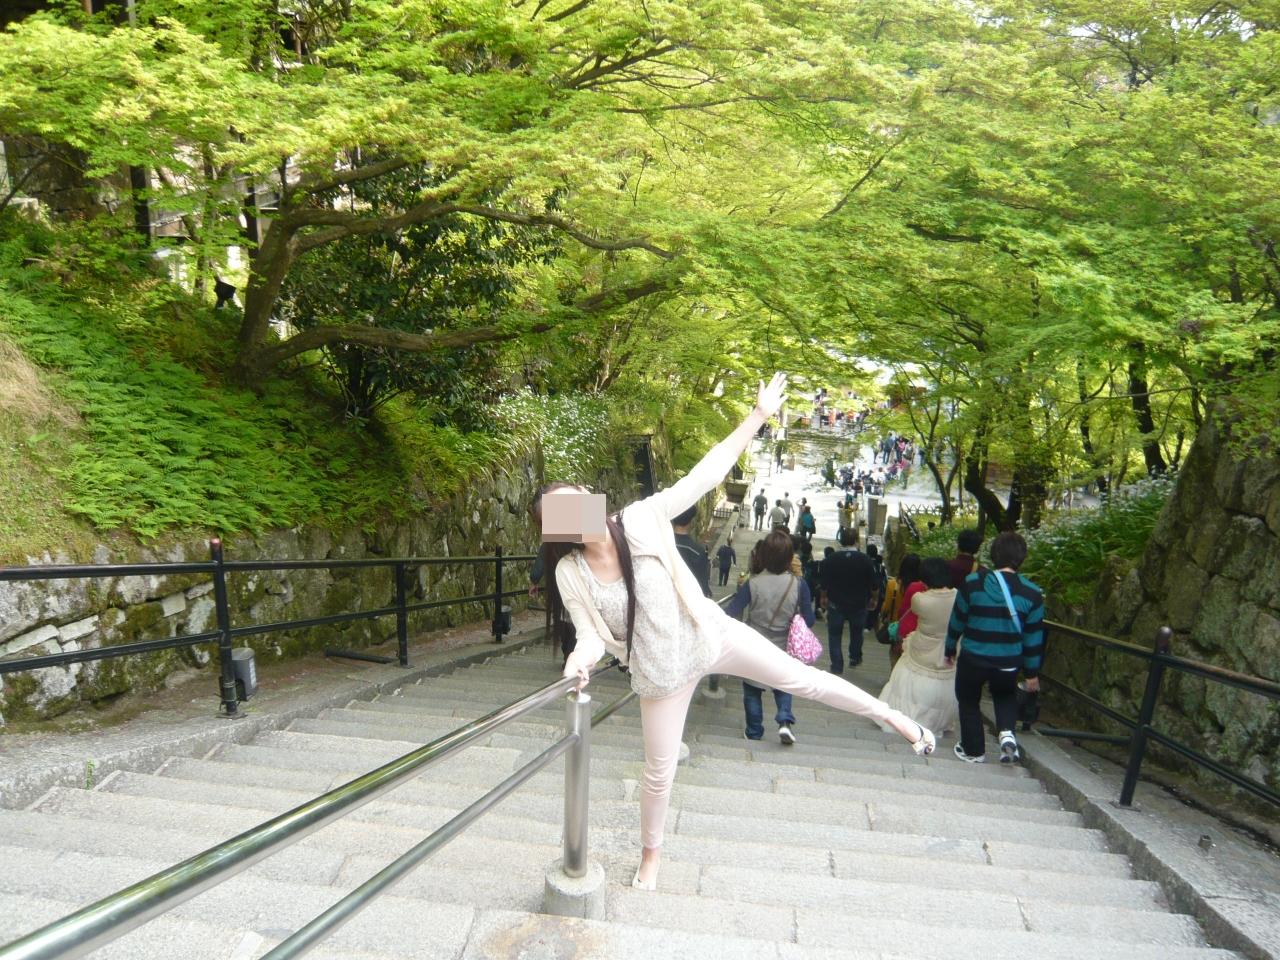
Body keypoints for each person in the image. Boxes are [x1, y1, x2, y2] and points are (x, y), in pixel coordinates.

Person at [538, 373, 936, 891]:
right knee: (659, 771)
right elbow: (590, 634)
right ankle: (651, 856)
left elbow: (705, 474)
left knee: (801, 679)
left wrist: (758, 415)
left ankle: (892, 716)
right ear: (560, 529)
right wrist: (580, 660)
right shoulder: (570, 571)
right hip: (659, 674)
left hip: (711, 634)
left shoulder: (640, 518)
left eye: (578, 499)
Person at [945, 531, 1044, 764]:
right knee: (1005, 696)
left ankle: (973, 751)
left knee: (968, 700)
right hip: (1007, 661)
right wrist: (1031, 673)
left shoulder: (972, 583)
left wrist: (949, 648)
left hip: (973, 657)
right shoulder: (1032, 593)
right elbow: (1033, 639)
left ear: (993, 554)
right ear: (1022, 558)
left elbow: (957, 620)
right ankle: (1007, 735)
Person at [725, 530, 815, 745]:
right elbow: (810, 620)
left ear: (763, 555)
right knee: (783, 684)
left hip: (753, 644)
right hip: (783, 644)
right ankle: (784, 721)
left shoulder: (753, 583)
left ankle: (754, 731)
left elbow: (731, 613)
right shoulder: (799, 584)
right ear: (789, 557)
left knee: (752, 689)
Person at [878, 558, 958, 736]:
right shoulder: (958, 597)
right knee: (941, 684)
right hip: (946, 648)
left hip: (922, 646)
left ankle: (907, 717)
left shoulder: (920, 599)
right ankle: (936, 722)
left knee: (908, 679)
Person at [820, 528, 875, 673]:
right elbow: (873, 585)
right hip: (859, 604)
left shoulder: (831, 559)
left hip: (836, 604)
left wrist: (823, 597)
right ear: (857, 541)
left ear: (841, 541)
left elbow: (824, 583)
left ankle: (837, 665)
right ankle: (855, 657)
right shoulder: (865, 560)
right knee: (857, 633)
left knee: (834, 634)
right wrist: (874, 599)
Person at [883, 553, 922, 666]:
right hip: (916, 628)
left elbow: (887, 606)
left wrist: (883, 614)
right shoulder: (922, 587)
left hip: (897, 627)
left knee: (895, 657)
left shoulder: (892, 584)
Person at [672, 505, 712, 597]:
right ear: (691, 521)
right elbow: (702, 587)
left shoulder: (661, 544)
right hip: (686, 599)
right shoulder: (697, 552)